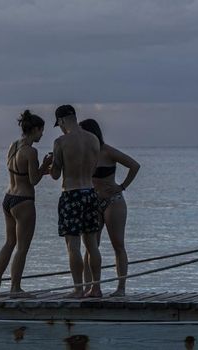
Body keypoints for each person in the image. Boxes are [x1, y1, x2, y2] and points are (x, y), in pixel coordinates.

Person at [0, 110, 52, 296]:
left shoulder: (13, 146)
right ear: (35, 129)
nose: (42, 134)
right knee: (22, 248)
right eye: (41, 130)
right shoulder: (31, 151)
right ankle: (15, 288)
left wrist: (41, 169)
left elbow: (19, 172)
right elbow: (33, 180)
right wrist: (45, 165)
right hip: (24, 201)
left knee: (9, 242)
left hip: (8, 198)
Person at [79, 119, 140, 297]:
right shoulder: (82, 154)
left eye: (83, 133)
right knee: (91, 247)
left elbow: (134, 165)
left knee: (118, 245)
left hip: (113, 201)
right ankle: (90, 287)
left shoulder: (107, 151)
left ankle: (121, 288)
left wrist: (121, 186)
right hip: (92, 203)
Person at [49, 105, 103, 298]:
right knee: (92, 245)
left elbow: (56, 174)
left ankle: (78, 289)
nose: (61, 128)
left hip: (71, 194)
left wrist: (49, 164)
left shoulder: (61, 142)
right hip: (90, 192)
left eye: (60, 124)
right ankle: (96, 288)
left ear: (62, 121)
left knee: (73, 245)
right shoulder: (94, 140)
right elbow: (93, 168)